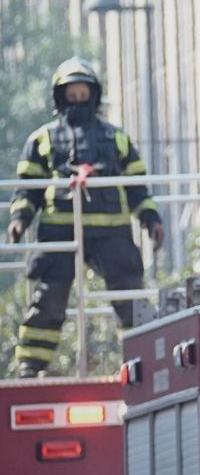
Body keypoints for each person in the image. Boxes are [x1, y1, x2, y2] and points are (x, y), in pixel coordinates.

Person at [7, 58, 164, 377]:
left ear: (93, 95)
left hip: (112, 233)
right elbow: (29, 188)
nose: (78, 100)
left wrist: (149, 217)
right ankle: (30, 365)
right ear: (60, 98)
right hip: (59, 233)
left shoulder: (116, 137)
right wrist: (20, 219)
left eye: (83, 93)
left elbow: (136, 184)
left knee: (130, 295)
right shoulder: (43, 139)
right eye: (71, 94)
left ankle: (145, 360)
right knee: (49, 299)